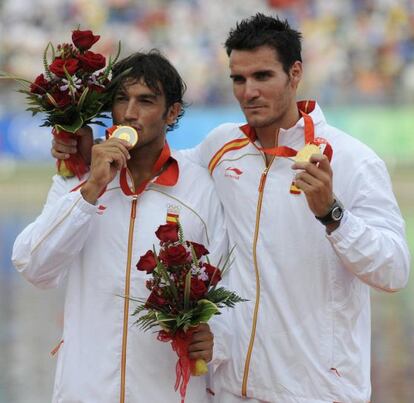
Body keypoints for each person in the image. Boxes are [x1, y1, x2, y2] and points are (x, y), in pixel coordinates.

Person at [50, 14, 411, 403]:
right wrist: (81, 152)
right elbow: (153, 164)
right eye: (238, 79)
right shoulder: (220, 148)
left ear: (295, 73)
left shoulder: (354, 161)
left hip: (317, 391)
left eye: (262, 76)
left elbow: (394, 271)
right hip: (229, 389)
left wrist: (332, 215)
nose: (248, 92)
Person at [12, 50, 228, 403]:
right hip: (85, 392)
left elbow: (229, 296)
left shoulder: (201, 189)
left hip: (168, 394)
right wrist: (91, 189)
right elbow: (34, 268)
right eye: (121, 100)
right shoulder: (78, 179)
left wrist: (219, 340)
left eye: (145, 101)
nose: (130, 113)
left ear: (172, 112)